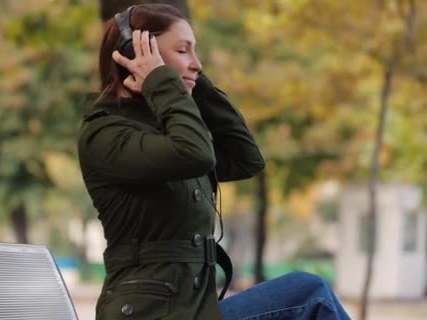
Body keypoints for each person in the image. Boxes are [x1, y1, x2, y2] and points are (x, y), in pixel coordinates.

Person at [77, 4, 350, 320]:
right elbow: (195, 153)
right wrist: (164, 82)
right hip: (149, 314)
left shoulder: (164, 131)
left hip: (194, 311)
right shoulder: (107, 133)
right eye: (183, 50)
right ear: (138, 54)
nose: (197, 64)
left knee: (309, 293)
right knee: (310, 294)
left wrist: (194, 84)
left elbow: (245, 158)